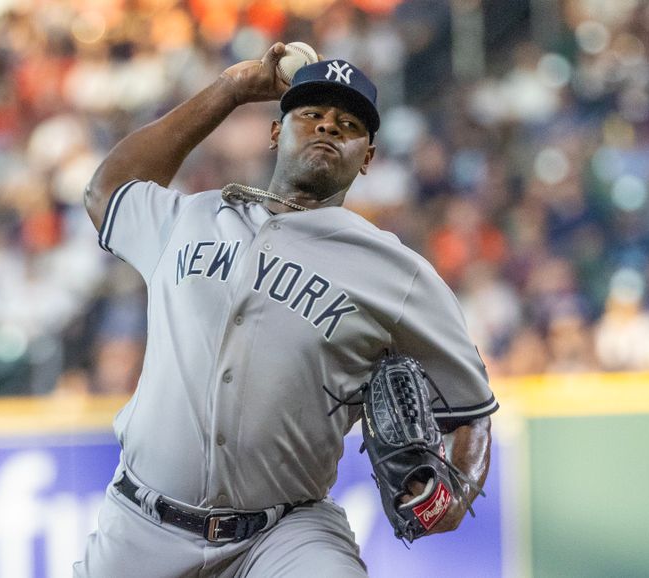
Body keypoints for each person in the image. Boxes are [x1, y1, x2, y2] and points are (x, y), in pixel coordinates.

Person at [75, 43, 498, 577]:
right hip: (141, 527)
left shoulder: (396, 271)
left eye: (347, 125)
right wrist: (229, 91)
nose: (327, 127)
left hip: (285, 535)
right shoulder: (191, 216)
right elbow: (106, 190)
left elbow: (471, 410)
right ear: (277, 132)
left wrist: (453, 497)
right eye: (312, 115)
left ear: (367, 157)